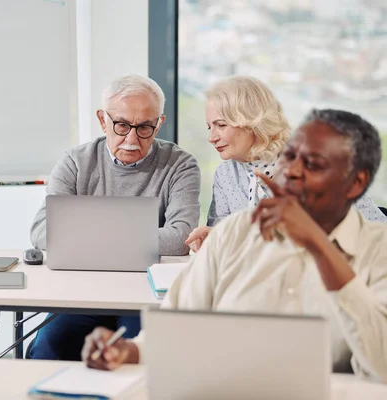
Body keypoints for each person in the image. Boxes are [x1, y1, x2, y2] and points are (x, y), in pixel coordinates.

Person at [82, 109, 387, 383]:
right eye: (289, 156)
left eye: (314, 164)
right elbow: (178, 327)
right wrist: (127, 351)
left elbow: (382, 364)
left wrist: (320, 247)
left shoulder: (378, 250)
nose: (292, 170)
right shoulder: (234, 234)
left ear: (355, 184)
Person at [28, 74, 201, 361]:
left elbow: (181, 237)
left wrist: (86, 238)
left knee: (141, 354)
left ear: (159, 123)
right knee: (48, 346)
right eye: (121, 125)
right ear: (102, 120)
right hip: (81, 294)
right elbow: (42, 231)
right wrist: (137, 240)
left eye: (145, 127)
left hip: (146, 296)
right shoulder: (75, 161)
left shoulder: (180, 164)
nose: (132, 139)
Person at [186, 76, 387, 253]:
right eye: (209, 127)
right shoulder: (226, 173)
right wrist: (212, 238)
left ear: (253, 122)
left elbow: (377, 234)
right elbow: (225, 235)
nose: (211, 137)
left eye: (221, 125)